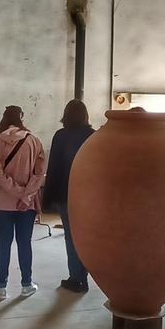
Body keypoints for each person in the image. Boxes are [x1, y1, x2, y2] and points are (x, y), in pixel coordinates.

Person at [0, 105, 46, 299]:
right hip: (26, 204)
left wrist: (15, 191)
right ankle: (26, 284)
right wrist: (25, 195)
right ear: (22, 118)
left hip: (1, 203)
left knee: (3, 243)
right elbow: (40, 174)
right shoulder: (34, 140)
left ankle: (1, 286)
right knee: (24, 243)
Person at [41, 99, 96, 294]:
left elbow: (53, 168)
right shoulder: (93, 135)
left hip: (66, 195)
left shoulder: (61, 136)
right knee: (87, 237)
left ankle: (76, 278)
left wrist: (47, 198)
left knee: (71, 238)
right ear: (85, 115)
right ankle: (84, 276)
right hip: (89, 196)